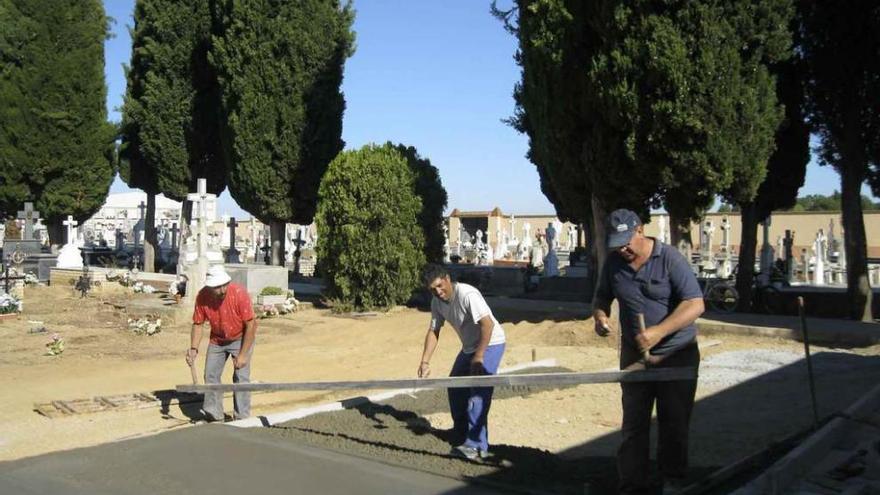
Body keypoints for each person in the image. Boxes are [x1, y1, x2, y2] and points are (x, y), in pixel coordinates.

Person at [592, 209, 704, 495]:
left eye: (627, 241)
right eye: (617, 244)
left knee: (674, 422)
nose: (623, 249)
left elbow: (695, 303)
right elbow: (602, 297)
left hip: (676, 352)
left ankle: (673, 481)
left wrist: (658, 332)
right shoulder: (614, 264)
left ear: (640, 230)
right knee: (633, 424)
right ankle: (632, 485)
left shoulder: (669, 259)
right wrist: (601, 317)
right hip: (634, 357)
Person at [418, 264, 506, 460]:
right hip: (469, 347)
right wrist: (425, 361)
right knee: (456, 386)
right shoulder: (436, 303)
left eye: (440, 286)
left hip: (491, 343)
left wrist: (479, 357)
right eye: (433, 289)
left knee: (478, 392)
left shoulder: (467, 294)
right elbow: (434, 331)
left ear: (448, 279)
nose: (438, 292)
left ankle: (476, 446)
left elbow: (487, 325)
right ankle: (461, 433)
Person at [185, 265, 257, 421]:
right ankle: (215, 415)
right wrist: (193, 348)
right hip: (217, 339)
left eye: (224, 285)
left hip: (241, 338)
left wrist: (243, 355)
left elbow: (251, 324)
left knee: (241, 377)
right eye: (218, 287)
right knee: (210, 375)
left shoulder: (239, 293)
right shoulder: (202, 297)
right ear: (210, 287)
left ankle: (242, 417)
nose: (222, 290)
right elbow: (198, 324)